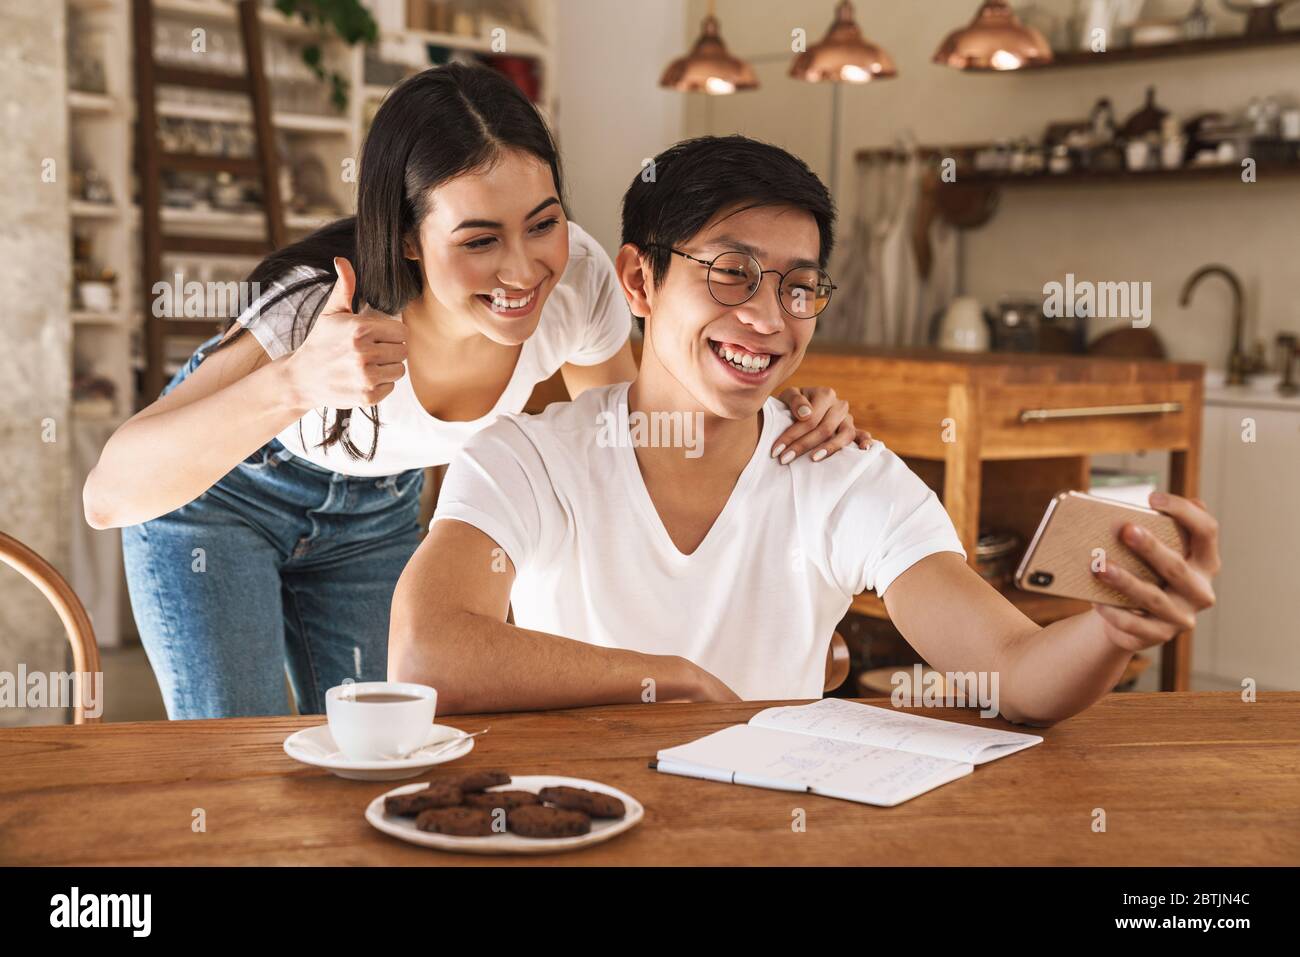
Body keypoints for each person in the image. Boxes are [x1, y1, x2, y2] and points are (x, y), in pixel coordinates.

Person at [83, 67, 868, 720]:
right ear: (406, 238)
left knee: (388, 751)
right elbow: (110, 493)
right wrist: (295, 383)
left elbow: (631, 458)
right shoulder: (317, 306)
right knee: (240, 764)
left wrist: (779, 426)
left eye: (543, 223)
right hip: (225, 501)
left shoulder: (580, 285)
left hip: (377, 511)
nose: (525, 270)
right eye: (480, 240)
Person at [388, 134, 1221, 723]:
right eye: (731, 273)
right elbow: (427, 654)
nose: (766, 317)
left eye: (798, 286)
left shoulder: (843, 474)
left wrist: (1116, 630)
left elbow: (1014, 673)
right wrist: (669, 681)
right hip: (573, 833)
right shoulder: (527, 459)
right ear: (639, 279)